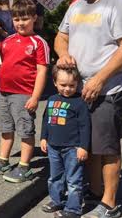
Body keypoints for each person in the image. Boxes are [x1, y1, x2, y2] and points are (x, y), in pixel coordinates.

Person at [54, 0, 122, 218]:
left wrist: (100, 78)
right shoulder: (77, 5)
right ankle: (94, 190)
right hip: (79, 90)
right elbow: (60, 36)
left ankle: (110, 203)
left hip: (108, 90)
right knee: (86, 145)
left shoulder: (119, 5)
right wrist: (63, 54)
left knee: (107, 147)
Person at [0, 0, 50, 183]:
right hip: (3, 93)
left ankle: (24, 166)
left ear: (34, 18)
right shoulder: (7, 41)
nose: (20, 23)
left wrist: (35, 97)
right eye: (16, 19)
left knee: (25, 130)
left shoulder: (39, 42)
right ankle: (3, 161)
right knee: (5, 129)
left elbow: (42, 71)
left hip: (24, 95)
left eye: (24, 19)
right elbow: (0, 65)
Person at [40, 66, 91, 218]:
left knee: (74, 180)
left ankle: (73, 209)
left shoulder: (79, 102)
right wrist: (44, 137)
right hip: (53, 146)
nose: (67, 89)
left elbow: (85, 126)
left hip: (72, 148)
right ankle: (57, 200)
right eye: (63, 85)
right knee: (55, 177)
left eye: (72, 85)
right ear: (55, 82)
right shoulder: (51, 99)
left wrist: (83, 147)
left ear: (77, 84)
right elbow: (46, 120)